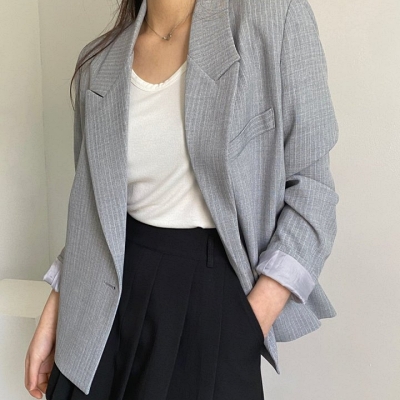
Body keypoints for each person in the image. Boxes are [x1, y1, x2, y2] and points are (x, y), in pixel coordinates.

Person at [25, 0, 340, 399]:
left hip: (211, 302)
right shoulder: (100, 62)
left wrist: (248, 323)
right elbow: (93, 215)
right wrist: (56, 312)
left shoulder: (272, 18)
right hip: (101, 305)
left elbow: (313, 190)